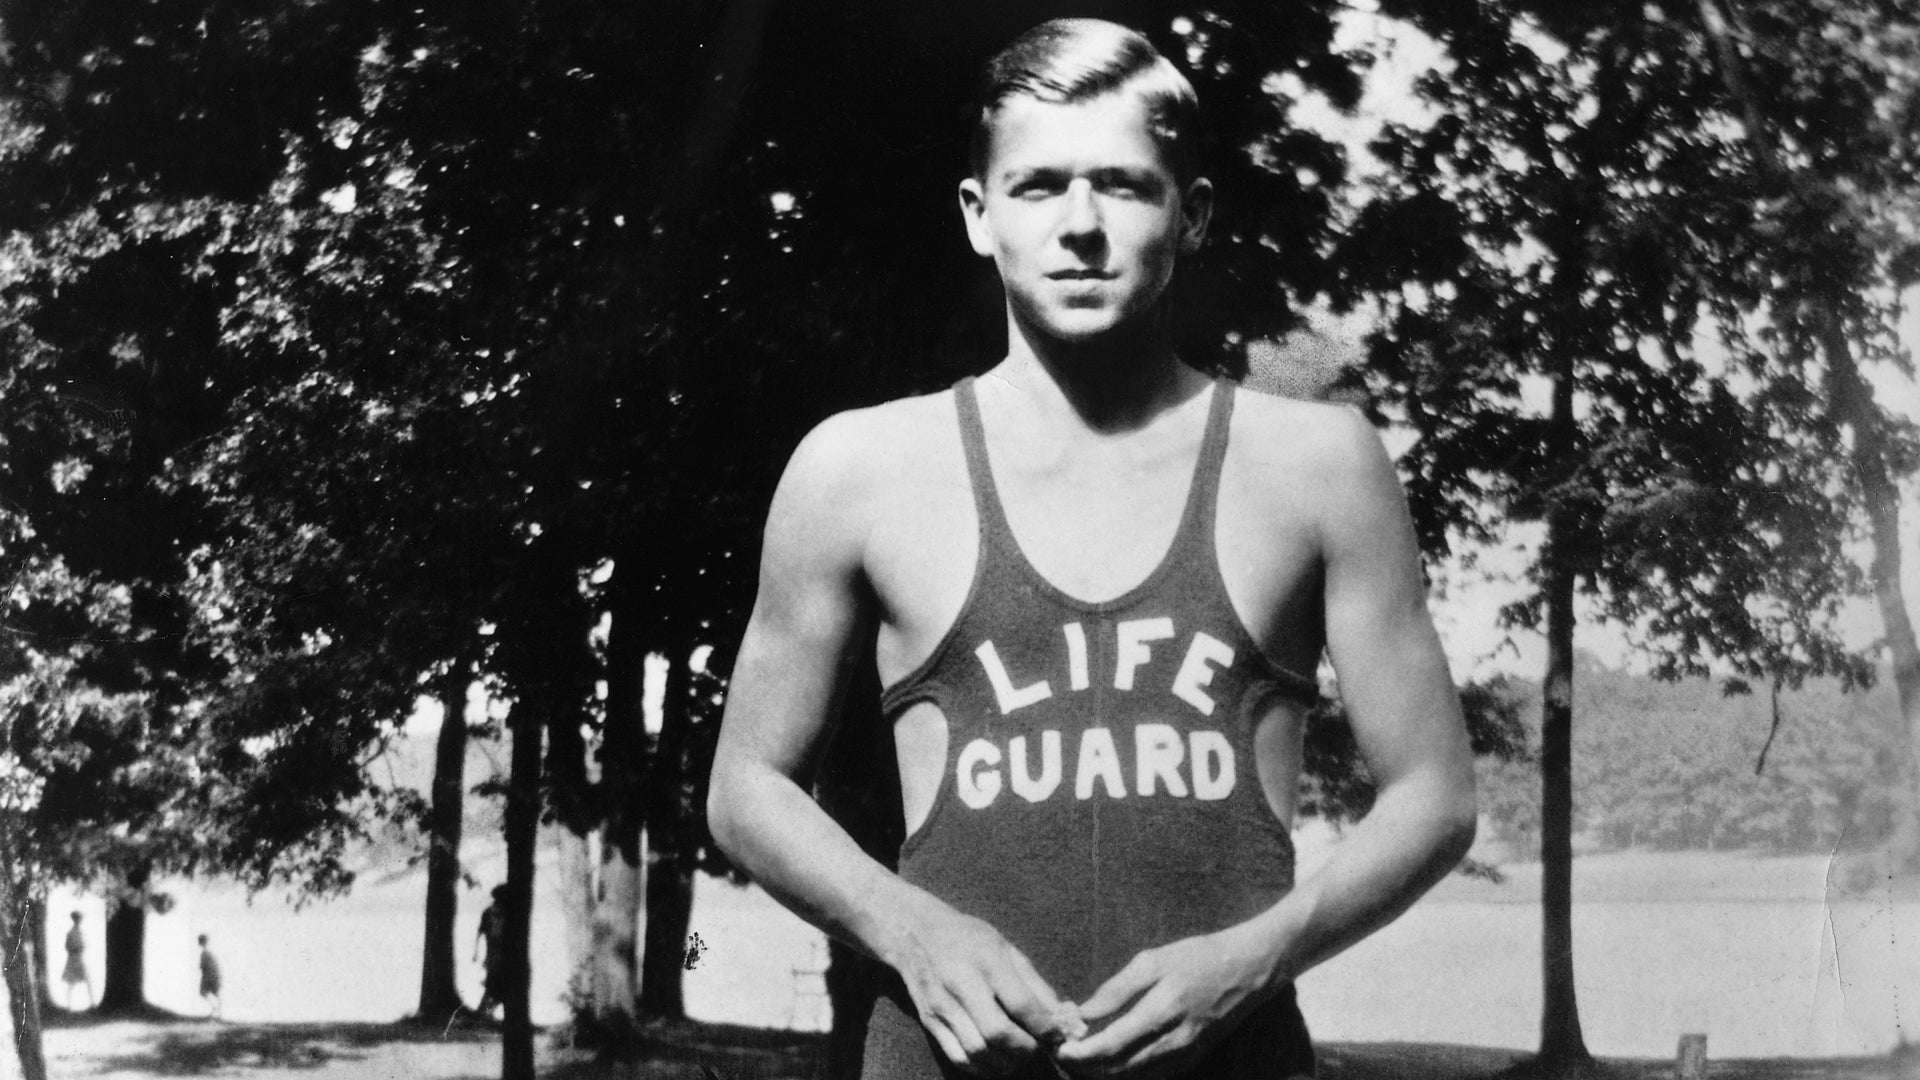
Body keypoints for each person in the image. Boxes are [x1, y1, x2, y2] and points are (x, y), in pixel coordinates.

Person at [708, 18, 1476, 1079]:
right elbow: (746, 787)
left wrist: (1252, 961)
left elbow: (1435, 796)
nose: (1080, 226)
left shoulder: (1318, 466)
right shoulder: (859, 469)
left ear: (1192, 213)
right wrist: (909, 930)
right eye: (1037, 187)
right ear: (979, 217)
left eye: (1122, 185)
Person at [473, 885, 506, 1018]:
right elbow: (480, 931)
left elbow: (480, 932)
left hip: (496, 952)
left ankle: (486, 1011)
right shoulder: (490, 912)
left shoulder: (492, 912)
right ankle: (485, 1012)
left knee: (495, 981)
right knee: (493, 981)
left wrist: (475, 952)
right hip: (493, 952)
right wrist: (475, 951)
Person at [61, 911, 93, 1011]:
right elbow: (66, 946)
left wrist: (82, 948)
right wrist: (74, 949)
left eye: (79, 919)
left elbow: (84, 944)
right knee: (71, 983)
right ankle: (68, 1005)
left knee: (87, 980)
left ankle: (92, 1003)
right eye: (77, 919)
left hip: (80, 958)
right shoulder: (70, 933)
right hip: (73, 959)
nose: (79, 921)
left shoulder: (81, 932)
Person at [197, 934, 223, 1019]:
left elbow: (204, 966)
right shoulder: (208, 952)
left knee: (204, 992)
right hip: (213, 976)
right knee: (214, 994)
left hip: (210, 976)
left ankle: (216, 1010)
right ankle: (217, 1011)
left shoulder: (205, 953)